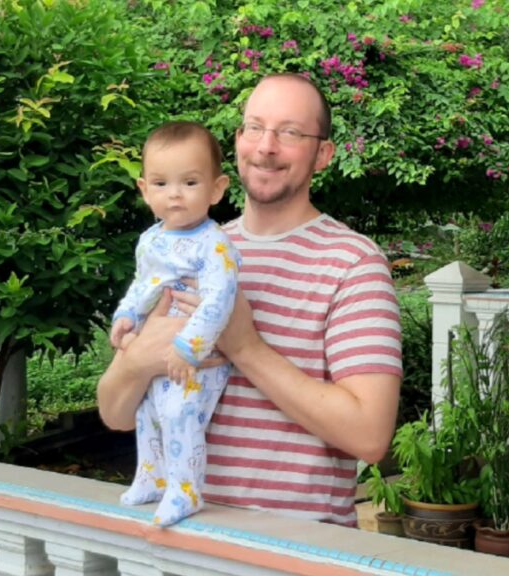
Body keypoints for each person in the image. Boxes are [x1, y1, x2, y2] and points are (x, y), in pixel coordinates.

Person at [98, 74, 402, 526]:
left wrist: (244, 346)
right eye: (254, 127)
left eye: (291, 132)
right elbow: (114, 412)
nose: (266, 146)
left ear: (323, 154)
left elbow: (369, 435)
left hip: (291, 552)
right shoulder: (190, 249)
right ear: (238, 140)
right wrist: (138, 359)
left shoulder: (353, 263)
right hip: (186, 544)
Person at [108, 121, 242, 527]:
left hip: (199, 354)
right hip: (157, 347)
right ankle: (152, 476)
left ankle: (185, 490)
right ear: (144, 190)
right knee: (149, 409)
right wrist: (127, 315)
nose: (175, 195)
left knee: (181, 411)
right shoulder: (150, 239)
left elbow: (221, 299)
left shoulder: (215, 243)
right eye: (162, 184)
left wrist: (189, 347)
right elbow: (144, 285)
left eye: (189, 182)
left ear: (216, 190)